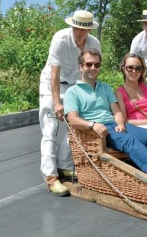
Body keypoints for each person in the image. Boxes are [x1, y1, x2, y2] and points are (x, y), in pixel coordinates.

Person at [64, 48, 147, 175]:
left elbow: (117, 111)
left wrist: (120, 124)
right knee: (129, 140)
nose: (93, 67)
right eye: (89, 64)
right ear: (81, 67)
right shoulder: (72, 92)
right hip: (97, 130)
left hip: (114, 125)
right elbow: (72, 119)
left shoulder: (105, 87)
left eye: (97, 65)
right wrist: (93, 125)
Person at [39, 10, 101, 196]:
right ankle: (51, 177)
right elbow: (54, 73)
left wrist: (91, 96)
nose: (78, 32)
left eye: (83, 29)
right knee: (51, 129)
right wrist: (57, 102)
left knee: (72, 127)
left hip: (75, 86)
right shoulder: (60, 39)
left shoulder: (94, 43)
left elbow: (92, 70)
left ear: (89, 29)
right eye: (76, 27)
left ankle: (64, 166)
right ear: (72, 25)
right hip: (52, 85)